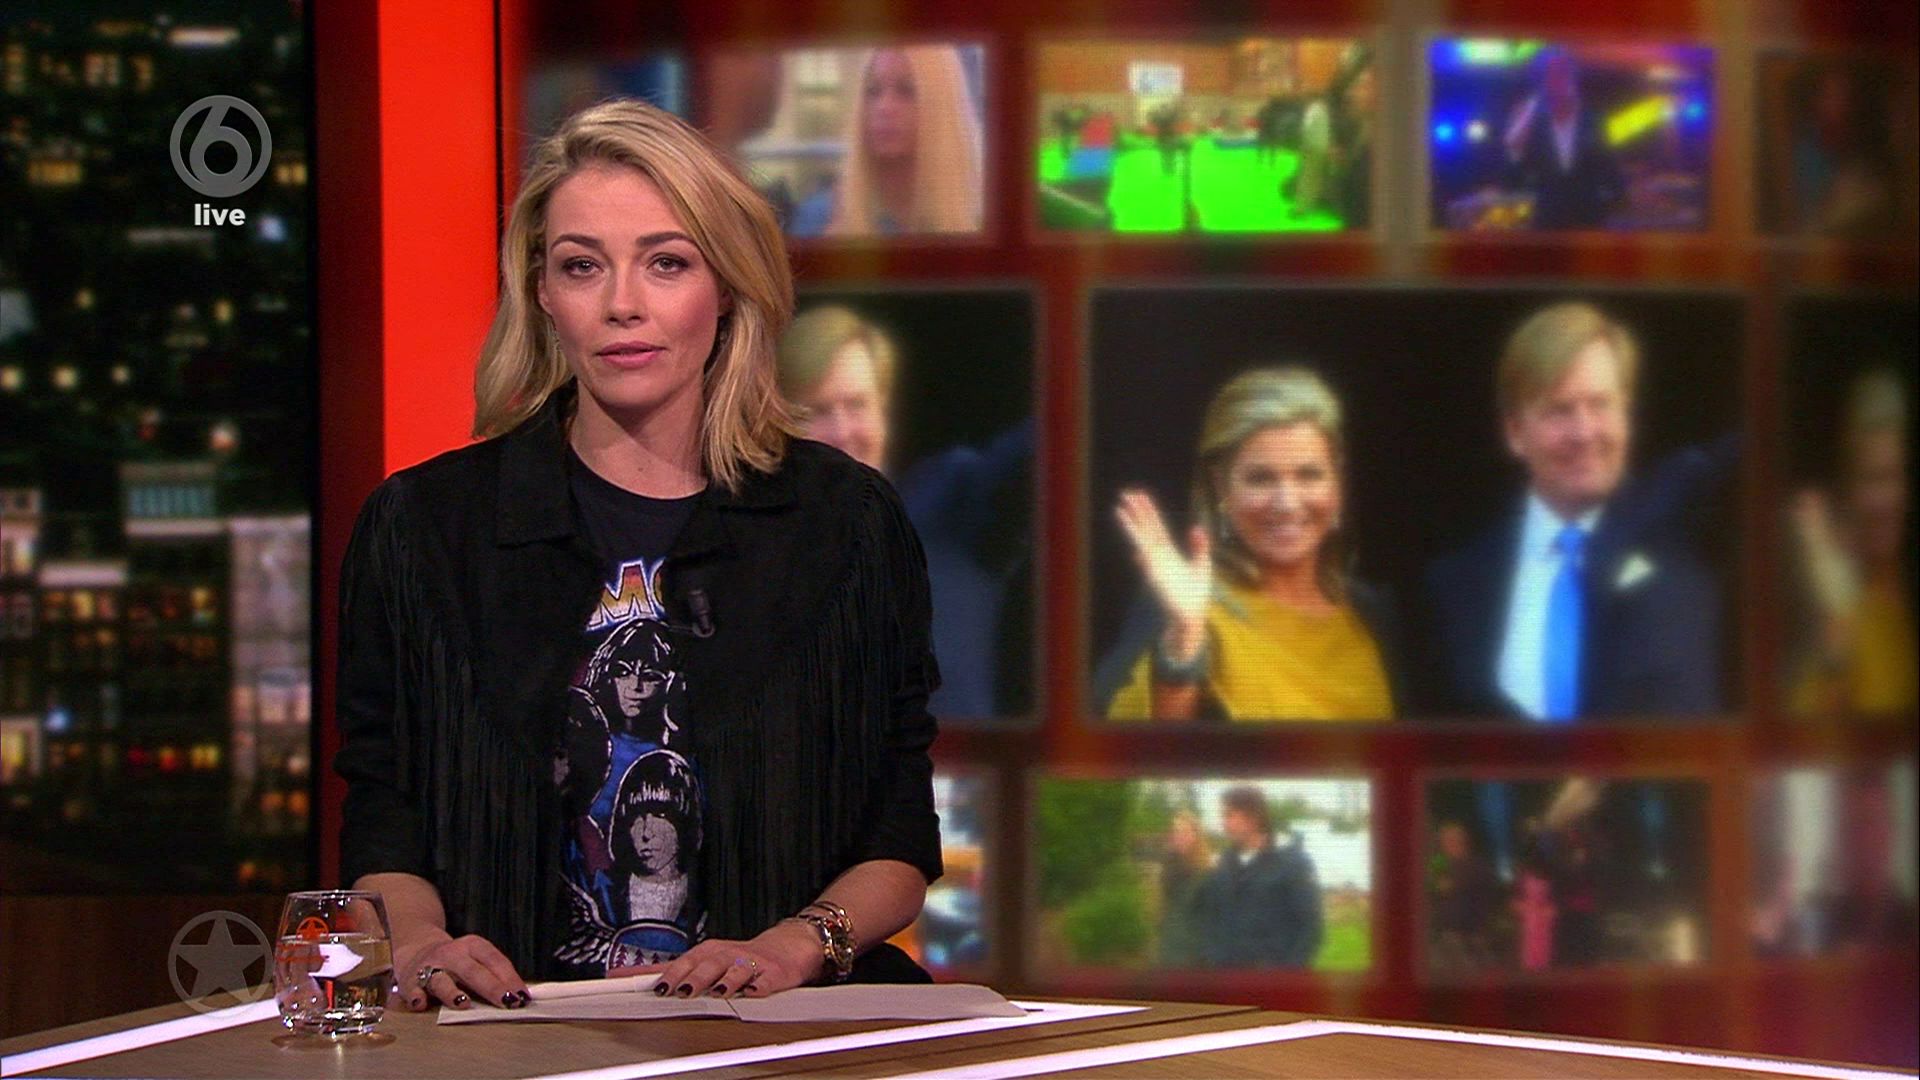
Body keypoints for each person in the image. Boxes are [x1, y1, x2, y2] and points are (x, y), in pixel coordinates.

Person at [334, 99, 944, 1013]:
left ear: (726, 285)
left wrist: (794, 945)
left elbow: (898, 831)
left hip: (774, 1032)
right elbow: (384, 809)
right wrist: (418, 944)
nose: (623, 304)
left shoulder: (844, 521)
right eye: (583, 265)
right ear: (543, 292)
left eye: (666, 262)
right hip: (509, 1034)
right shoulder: (424, 526)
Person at [1422, 302, 1730, 721]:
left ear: (1627, 415)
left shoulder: (1692, 554)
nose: (1584, 433)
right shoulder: (1456, 585)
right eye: (1559, 410)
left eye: (1600, 404)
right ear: (1515, 432)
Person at [1097, 367, 1402, 722]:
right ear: (1221, 487)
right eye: (1260, 479)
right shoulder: (1185, 607)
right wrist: (1185, 637)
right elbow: (1140, 751)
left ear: (1337, 483)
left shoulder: (1372, 612)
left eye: (1309, 475)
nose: (1287, 503)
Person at [777, 304, 1034, 718]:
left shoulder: (951, 501)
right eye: (819, 412)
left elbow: (1047, 438)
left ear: (884, 411)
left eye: (857, 405)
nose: (842, 433)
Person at [1786, 369, 1914, 716]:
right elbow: (1810, 737)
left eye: (1899, 478)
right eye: (1873, 479)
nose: (1887, 501)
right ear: (1849, 494)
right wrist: (1838, 614)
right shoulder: (1839, 605)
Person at [788, 46, 984, 238]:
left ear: (942, 108)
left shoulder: (981, 220)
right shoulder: (819, 218)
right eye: (873, 91)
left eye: (907, 91)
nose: (884, 107)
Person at [1194, 787, 1323, 969]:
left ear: (1253, 818)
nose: (1224, 824)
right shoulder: (1223, 864)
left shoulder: (1292, 863)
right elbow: (1210, 919)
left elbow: (1310, 928)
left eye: (1229, 816)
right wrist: (1212, 957)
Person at [1500, 50, 1624, 230]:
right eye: (1550, 74)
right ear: (1541, 81)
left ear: (1574, 77)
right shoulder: (1531, 124)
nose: (1558, 79)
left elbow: (1611, 170)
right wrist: (1515, 150)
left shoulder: (1594, 120)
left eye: (1563, 72)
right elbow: (1511, 183)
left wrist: (1614, 202)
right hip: (1548, 226)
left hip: (1591, 223)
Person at [1156, 809, 1212, 967]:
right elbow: (1165, 909)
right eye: (1176, 832)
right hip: (1168, 949)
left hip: (1193, 956)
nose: (1179, 837)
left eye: (1185, 832)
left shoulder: (1206, 873)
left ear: (1196, 835)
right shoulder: (1169, 867)